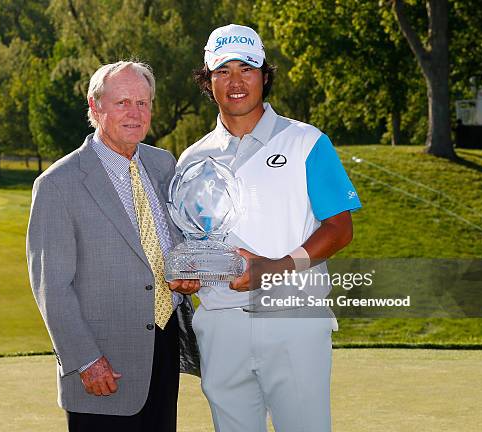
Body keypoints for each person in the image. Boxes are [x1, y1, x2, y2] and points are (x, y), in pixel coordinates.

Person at [175, 24, 362, 431]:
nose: (236, 82)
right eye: (223, 71)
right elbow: (191, 239)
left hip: (293, 318)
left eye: (247, 69)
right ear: (208, 81)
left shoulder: (307, 142)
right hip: (220, 323)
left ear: (264, 75)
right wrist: (186, 272)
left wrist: (272, 268)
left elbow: (339, 229)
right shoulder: (191, 158)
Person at [26, 60, 199, 432]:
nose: (135, 113)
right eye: (122, 102)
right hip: (102, 365)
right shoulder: (58, 184)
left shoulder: (162, 163)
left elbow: (175, 241)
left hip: (163, 351)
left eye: (143, 103)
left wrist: (185, 272)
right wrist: (86, 360)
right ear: (95, 106)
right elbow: (51, 288)